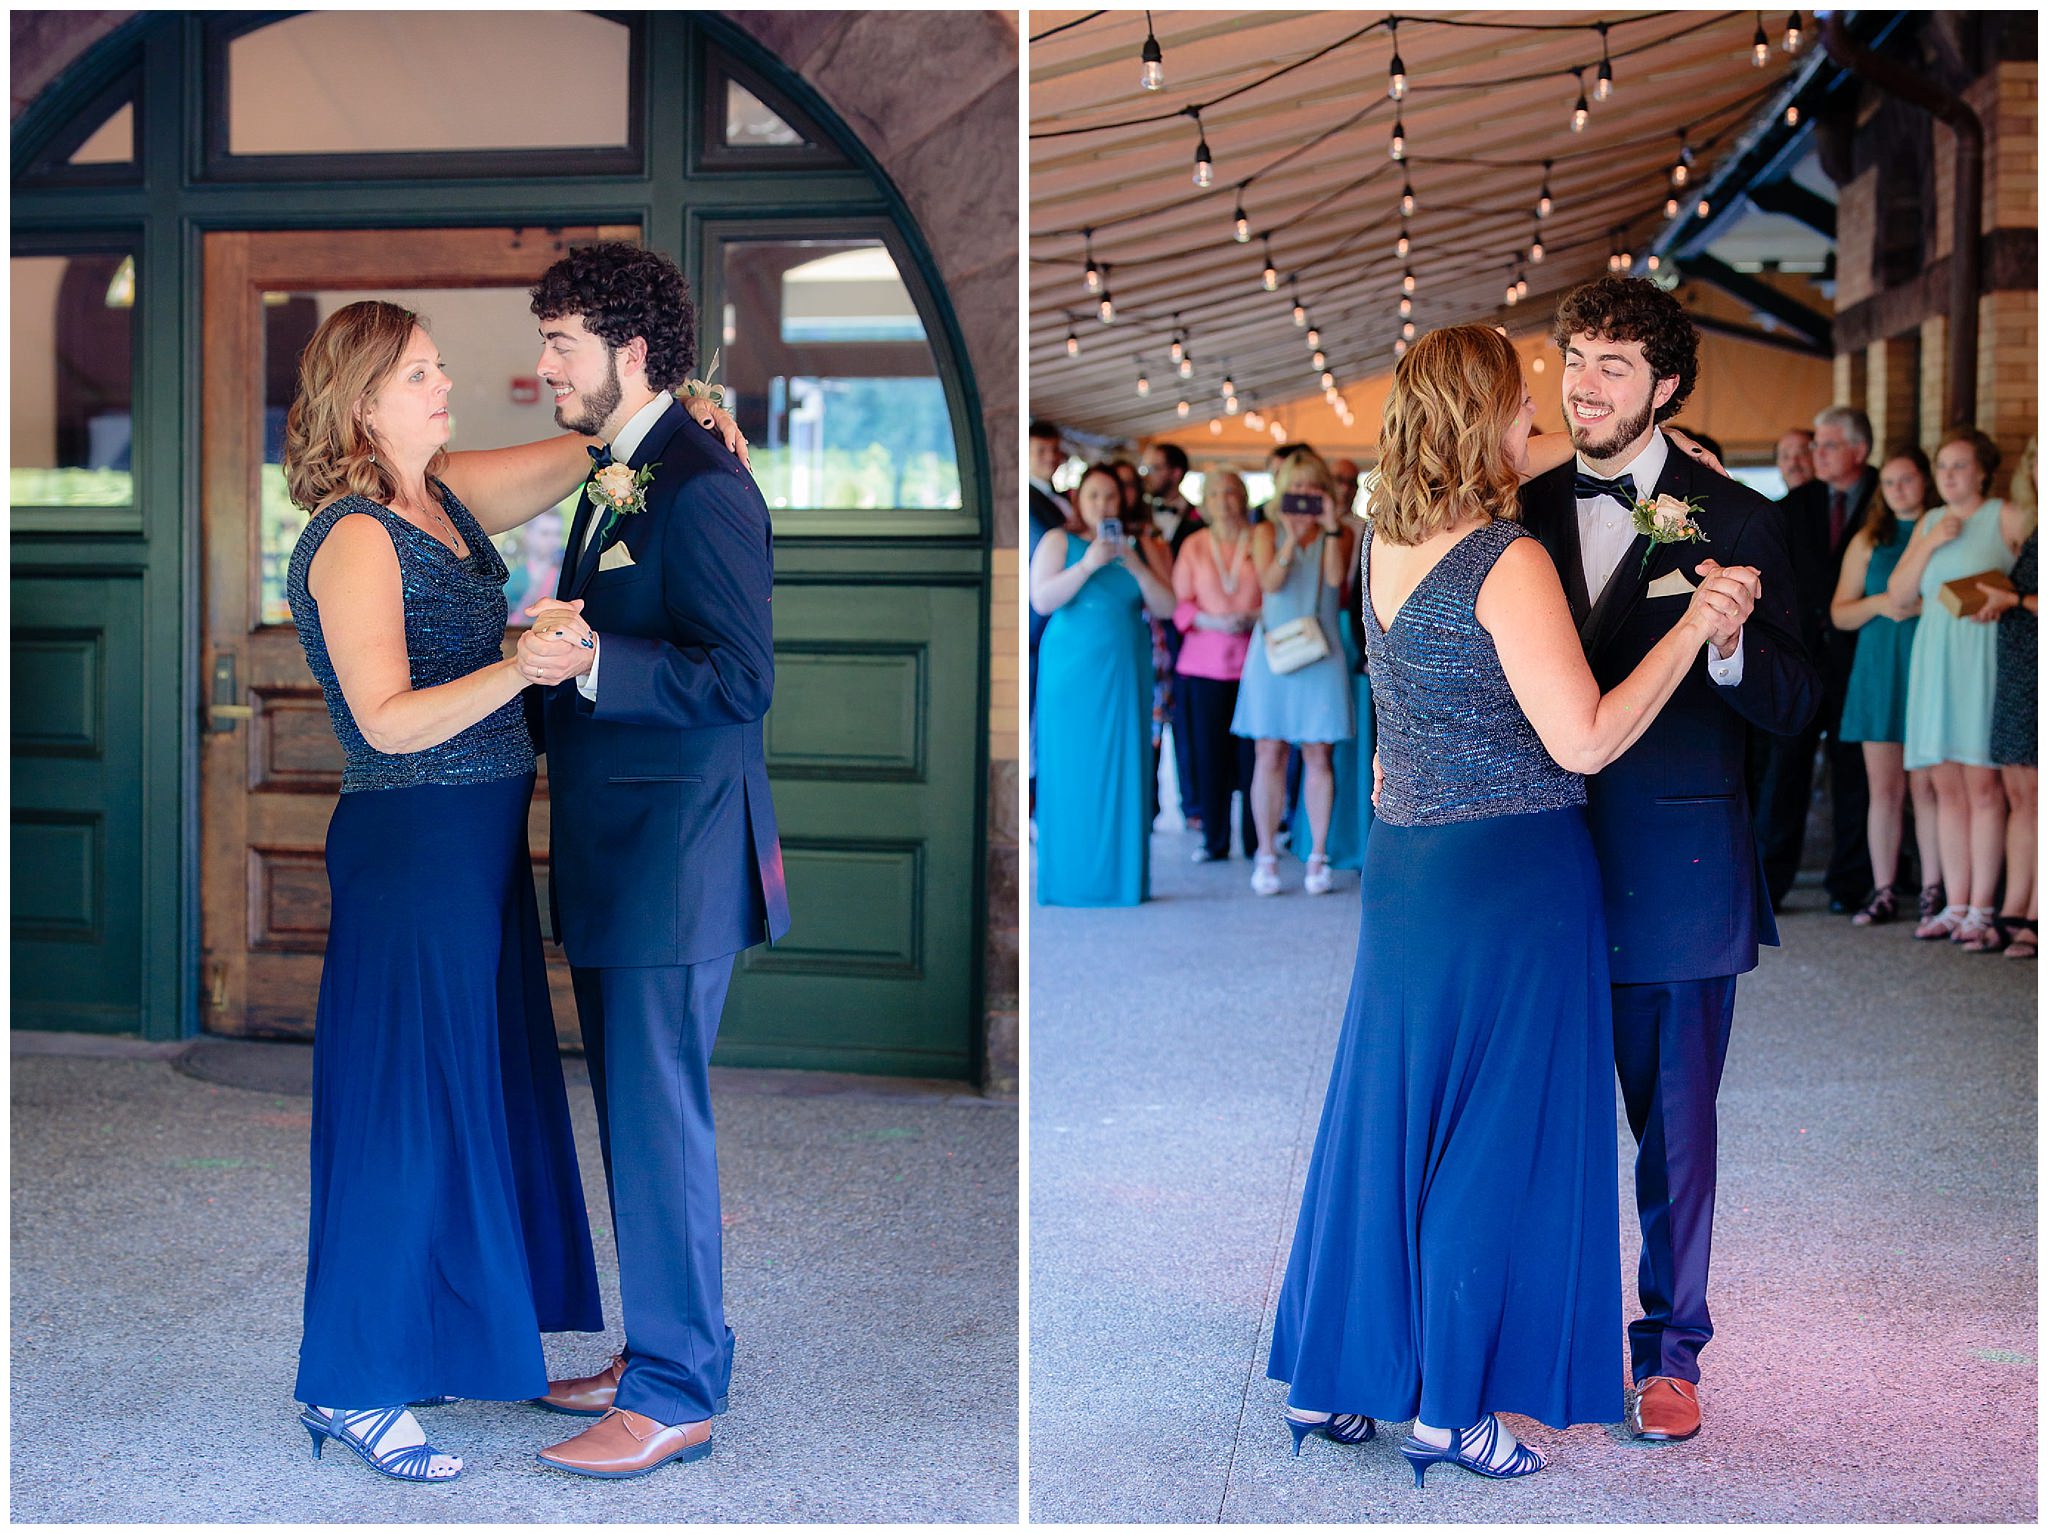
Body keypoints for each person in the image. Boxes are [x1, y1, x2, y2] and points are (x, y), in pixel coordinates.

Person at [1268, 323, 1769, 1486]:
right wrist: (1694, 627)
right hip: (1512, 873)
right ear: (1483, 418)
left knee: (1390, 1123)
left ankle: (1354, 1381)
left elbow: (1409, 697)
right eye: (1520, 404)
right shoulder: (1505, 557)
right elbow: (1582, 734)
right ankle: (1452, 1407)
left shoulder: (1378, 533)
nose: (1538, 420)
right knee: (1493, 1137)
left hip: (1407, 870)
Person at [282, 300, 747, 1484]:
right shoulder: (350, 536)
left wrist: (688, 413)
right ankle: (350, 1382)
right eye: (424, 374)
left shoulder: (439, 494)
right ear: (362, 400)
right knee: (400, 1106)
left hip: (481, 847)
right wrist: (516, 664)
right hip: (412, 845)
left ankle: (435, 1335)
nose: (451, 386)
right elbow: (383, 721)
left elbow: (601, 450)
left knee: (465, 1101)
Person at [1518, 276, 1818, 1444]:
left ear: (1665, 387)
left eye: (1609, 366)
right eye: (1573, 359)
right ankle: (1538, 1334)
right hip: (1533, 865)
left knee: (1674, 1131)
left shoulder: (1739, 520)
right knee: (1531, 1118)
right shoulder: (1520, 509)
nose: (1582, 386)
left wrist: (1731, 645)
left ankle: (1670, 1350)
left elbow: (1798, 704)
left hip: (1679, 873)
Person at [517, 243, 791, 1479]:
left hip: (674, 857)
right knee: (637, 1119)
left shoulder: (701, 483)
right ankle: (661, 1351)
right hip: (623, 846)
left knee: (659, 1125)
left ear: (630, 351)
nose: (542, 366)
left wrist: (588, 664)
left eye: (560, 342)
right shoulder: (623, 470)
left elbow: (740, 680)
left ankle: (676, 1394)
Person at [1893, 426, 2016, 951]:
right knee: (1944, 788)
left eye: (1959, 465)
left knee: (1983, 788)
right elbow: (1900, 597)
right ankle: (1955, 902)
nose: (1948, 475)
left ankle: (1984, 908)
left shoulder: (2007, 516)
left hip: (1983, 658)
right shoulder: (1927, 522)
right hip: (1936, 659)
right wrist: (1927, 544)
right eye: (1942, 466)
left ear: (1983, 471)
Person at [1031, 463, 1177, 905]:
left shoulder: (1142, 546)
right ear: (1079, 499)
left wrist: (1132, 562)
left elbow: (1166, 606)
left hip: (1123, 666)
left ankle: (1119, 879)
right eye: (1094, 495)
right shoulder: (1060, 540)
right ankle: (1070, 879)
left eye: (1110, 496)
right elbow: (1041, 599)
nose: (1103, 505)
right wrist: (1089, 564)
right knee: (1070, 765)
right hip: (1070, 668)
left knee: (1121, 763)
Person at [1753, 405, 1879, 911]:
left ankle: (1850, 886)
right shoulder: (1795, 504)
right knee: (1786, 771)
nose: (1815, 454)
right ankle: (1770, 885)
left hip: (1863, 656)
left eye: (1827, 445)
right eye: (1816, 445)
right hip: (1802, 658)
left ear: (1859, 451)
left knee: (1856, 773)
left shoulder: (1883, 500)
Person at [1231, 450, 1356, 896]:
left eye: (1311, 488)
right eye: (1295, 489)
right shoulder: (1264, 529)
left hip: (1320, 653)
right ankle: (1266, 854)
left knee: (1318, 754)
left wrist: (1325, 528)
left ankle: (1317, 856)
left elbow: (1336, 585)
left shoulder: (1336, 533)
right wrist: (1289, 537)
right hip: (1274, 656)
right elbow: (1269, 583)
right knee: (1268, 751)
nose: (1302, 496)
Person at [1831, 446, 1941, 926]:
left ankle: (1937, 890)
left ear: (1925, 482)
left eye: (1908, 480)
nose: (1898, 490)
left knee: (1930, 788)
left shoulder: (1941, 528)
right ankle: (1884, 890)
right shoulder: (1868, 538)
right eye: (1890, 482)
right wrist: (1881, 604)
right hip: (1878, 669)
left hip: (1929, 663)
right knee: (1885, 789)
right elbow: (1840, 613)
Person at [1171, 469, 1261, 862]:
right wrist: (1210, 620)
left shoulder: (1261, 539)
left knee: (1253, 756)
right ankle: (1214, 838)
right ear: (1205, 502)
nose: (1224, 500)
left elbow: (1279, 588)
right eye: (1216, 493)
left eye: (1231, 491)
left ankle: (1258, 840)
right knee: (1208, 754)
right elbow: (1179, 604)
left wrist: (1254, 615)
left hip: (1253, 662)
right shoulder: (1194, 544)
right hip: (1203, 665)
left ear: (1243, 497)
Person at [1976, 435, 2038, 959]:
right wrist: (2004, 602)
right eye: (2034, 454)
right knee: (2021, 797)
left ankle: (2034, 914)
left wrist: (2014, 598)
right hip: (2020, 669)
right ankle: (2015, 906)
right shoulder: (2034, 524)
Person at [1775, 428, 1816, 493]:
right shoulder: (1771, 503)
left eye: (1802, 453)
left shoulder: (1835, 502)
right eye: (1785, 456)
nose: (1793, 463)